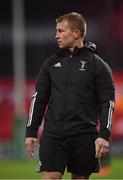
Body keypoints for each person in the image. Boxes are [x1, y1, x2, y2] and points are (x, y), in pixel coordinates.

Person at [25, 12, 115, 179]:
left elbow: (107, 103)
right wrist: (31, 131)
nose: (56, 36)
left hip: (84, 135)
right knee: (50, 176)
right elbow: (38, 99)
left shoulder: (97, 65)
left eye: (60, 31)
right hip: (53, 134)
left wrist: (104, 135)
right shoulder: (50, 64)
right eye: (56, 31)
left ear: (76, 33)